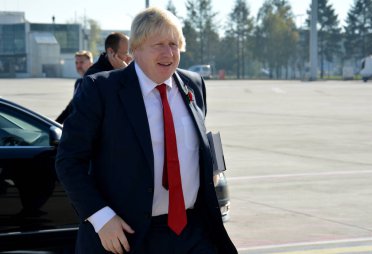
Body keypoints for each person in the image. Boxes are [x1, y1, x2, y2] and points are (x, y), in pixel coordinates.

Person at [55, 7, 237, 254]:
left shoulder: (193, 84)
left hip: (192, 230)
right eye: (158, 44)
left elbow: (197, 142)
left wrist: (210, 169)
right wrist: (100, 217)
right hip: (128, 235)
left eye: (173, 44)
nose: (168, 53)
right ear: (136, 49)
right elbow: (69, 160)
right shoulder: (102, 90)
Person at [55, 50, 93, 124]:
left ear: (91, 63)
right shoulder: (78, 83)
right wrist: (55, 124)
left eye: (81, 62)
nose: (78, 66)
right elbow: (70, 107)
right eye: (76, 63)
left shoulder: (96, 82)